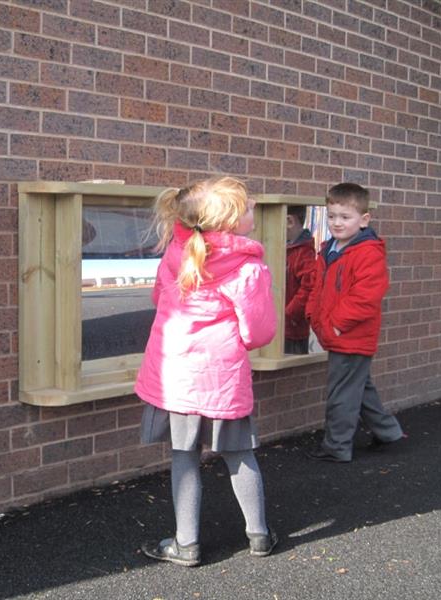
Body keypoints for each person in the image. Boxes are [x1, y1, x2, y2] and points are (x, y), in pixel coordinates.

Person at [135, 176, 277, 567]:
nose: (254, 210)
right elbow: (259, 332)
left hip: (176, 376)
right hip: (222, 380)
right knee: (239, 455)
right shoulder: (248, 268)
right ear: (231, 222)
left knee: (184, 457)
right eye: (248, 207)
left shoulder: (175, 254)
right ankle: (259, 535)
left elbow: (157, 299)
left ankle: (187, 545)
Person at [304, 183, 404, 463]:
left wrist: (336, 324)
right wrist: (314, 315)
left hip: (351, 335)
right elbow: (316, 287)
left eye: (345, 217)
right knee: (359, 388)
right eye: (332, 215)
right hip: (336, 332)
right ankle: (388, 432)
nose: (337, 222)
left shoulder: (367, 253)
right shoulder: (328, 248)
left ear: (364, 220)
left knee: (342, 394)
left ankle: (337, 446)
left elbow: (365, 297)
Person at [284, 205, 316, 354]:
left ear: (290, 221)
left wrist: (288, 313)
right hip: (283, 326)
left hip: (293, 331)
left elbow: (310, 287)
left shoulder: (303, 252)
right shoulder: (286, 247)